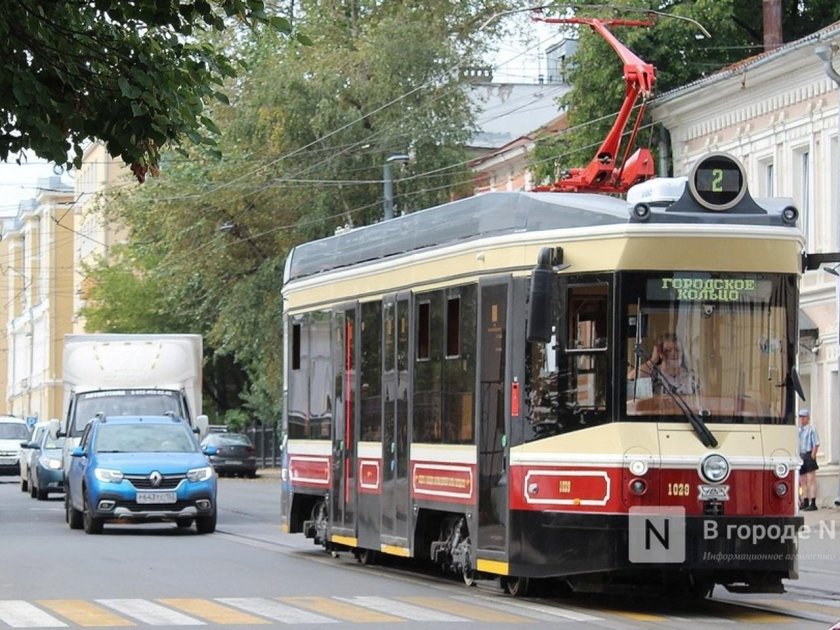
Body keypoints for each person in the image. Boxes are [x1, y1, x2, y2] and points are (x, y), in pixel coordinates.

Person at [628, 333, 696, 395]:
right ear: (660, 353)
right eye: (668, 350)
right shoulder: (652, 373)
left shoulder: (691, 376)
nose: (674, 354)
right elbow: (630, 378)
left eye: (677, 350)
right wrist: (653, 360)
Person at [797, 408, 820, 511]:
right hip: (801, 455)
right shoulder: (798, 430)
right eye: (800, 417)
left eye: (803, 417)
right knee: (802, 480)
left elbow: (816, 443)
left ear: (808, 418)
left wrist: (813, 455)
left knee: (811, 479)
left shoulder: (811, 429)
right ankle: (805, 501)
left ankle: (813, 502)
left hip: (808, 453)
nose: (801, 419)